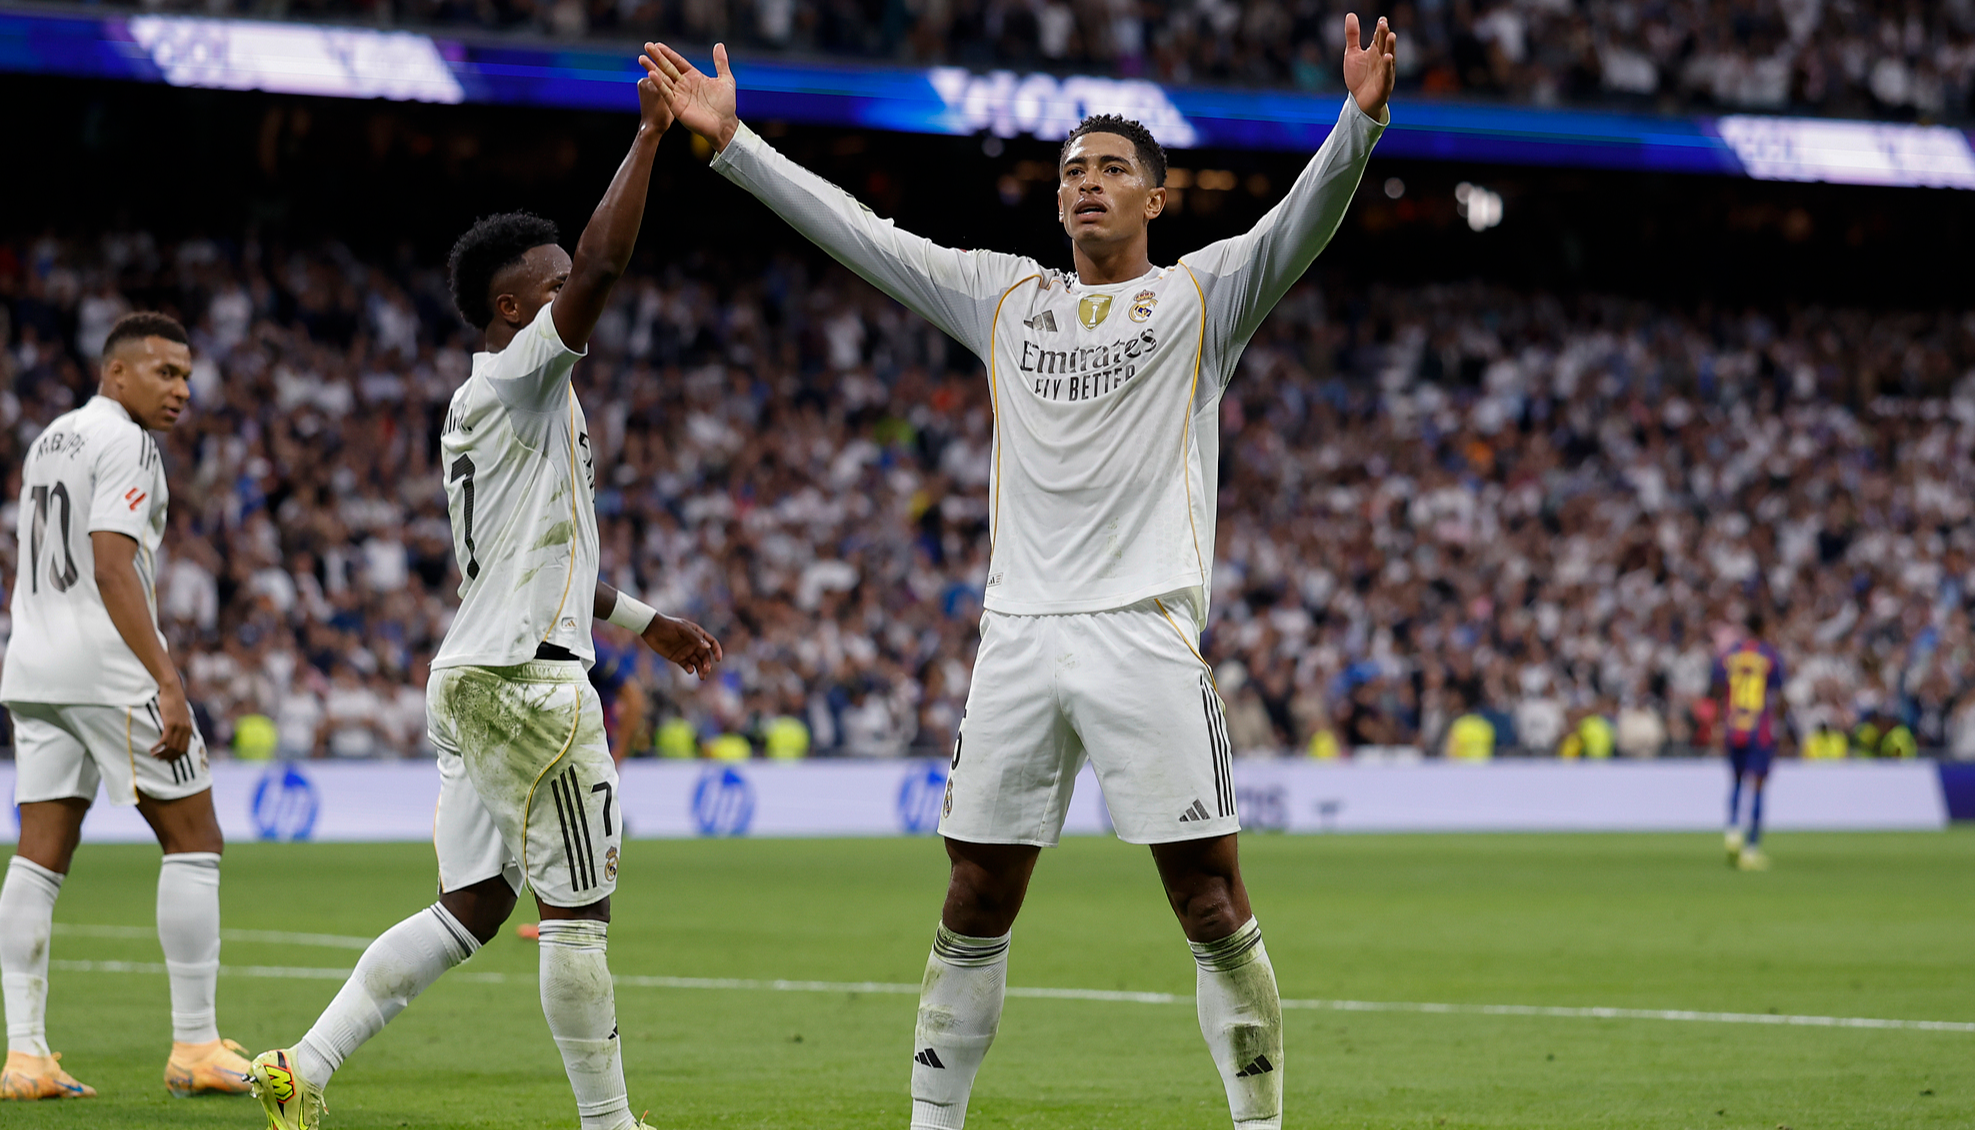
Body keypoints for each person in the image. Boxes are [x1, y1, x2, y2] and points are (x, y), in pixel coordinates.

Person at [642, 16, 1394, 1130]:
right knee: (974, 892)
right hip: (1019, 636)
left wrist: (1358, 122)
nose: (1085, 186)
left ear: (1155, 198)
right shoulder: (1004, 297)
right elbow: (864, 236)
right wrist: (733, 146)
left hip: (1141, 628)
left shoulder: (1199, 298)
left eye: (1110, 172)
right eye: (1070, 173)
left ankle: (1259, 1122)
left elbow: (1302, 222)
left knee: (1208, 895)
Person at [247, 78, 723, 1130]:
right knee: (579, 916)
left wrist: (650, 622)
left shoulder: (502, 407)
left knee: (473, 904)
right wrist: (647, 136)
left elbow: (549, 564)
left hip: (475, 672)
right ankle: (609, 1126)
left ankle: (302, 1062)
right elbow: (602, 261)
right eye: (549, 288)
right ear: (515, 308)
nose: (574, 298)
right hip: (531, 685)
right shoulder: (519, 378)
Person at [0, 312, 256, 1100]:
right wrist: (166, 679)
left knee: (39, 856)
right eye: (162, 372)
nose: (179, 389)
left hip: (35, 666)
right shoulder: (129, 443)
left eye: (185, 375)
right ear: (116, 374)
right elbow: (111, 567)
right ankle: (196, 1046)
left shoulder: (53, 438)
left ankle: (25, 1057)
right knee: (195, 838)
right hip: (106, 669)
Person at [1712, 611, 1786, 871]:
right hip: (1759, 728)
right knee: (1758, 786)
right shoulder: (1770, 656)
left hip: (1734, 726)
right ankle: (1751, 848)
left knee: (1735, 781)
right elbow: (1778, 692)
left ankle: (1732, 832)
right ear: (1764, 626)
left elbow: (1717, 687)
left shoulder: (1729, 655)